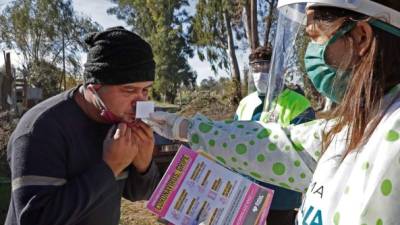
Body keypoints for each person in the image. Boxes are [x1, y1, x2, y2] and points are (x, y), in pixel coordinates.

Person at [148, 0, 400, 224]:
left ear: (362, 37)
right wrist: (188, 128)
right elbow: (275, 144)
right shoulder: (357, 125)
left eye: (314, 38)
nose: (309, 56)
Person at [5, 26, 160, 225]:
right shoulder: (40, 129)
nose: (140, 103)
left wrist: (144, 166)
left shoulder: (120, 120)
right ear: (94, 87)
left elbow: (139, 194)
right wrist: (109, 168)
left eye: (145, 91)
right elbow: (35, 219)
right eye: (129, 90)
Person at [235, 46, 313, 225]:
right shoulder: (245, 103)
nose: (259, 74)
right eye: (255, 68)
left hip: (281, 195)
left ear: (278, 70)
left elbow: (306, 152)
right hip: (247, 191)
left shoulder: (298, 103)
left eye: (265, 68)